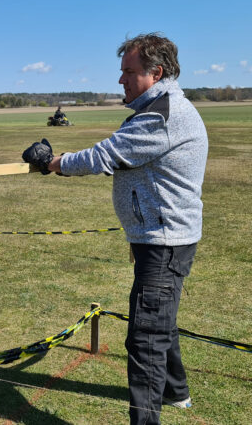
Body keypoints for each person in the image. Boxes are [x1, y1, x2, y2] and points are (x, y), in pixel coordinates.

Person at [22, 33, 208, 424]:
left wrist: (52, 162)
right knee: (161, 322)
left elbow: (107, 155)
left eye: (129, 72)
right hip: (159, 237)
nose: (121, 80)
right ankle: (177, 394)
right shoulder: (157, 107)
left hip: (163, 241)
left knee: (146, 338)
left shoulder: (162, 114)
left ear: (156, 73)